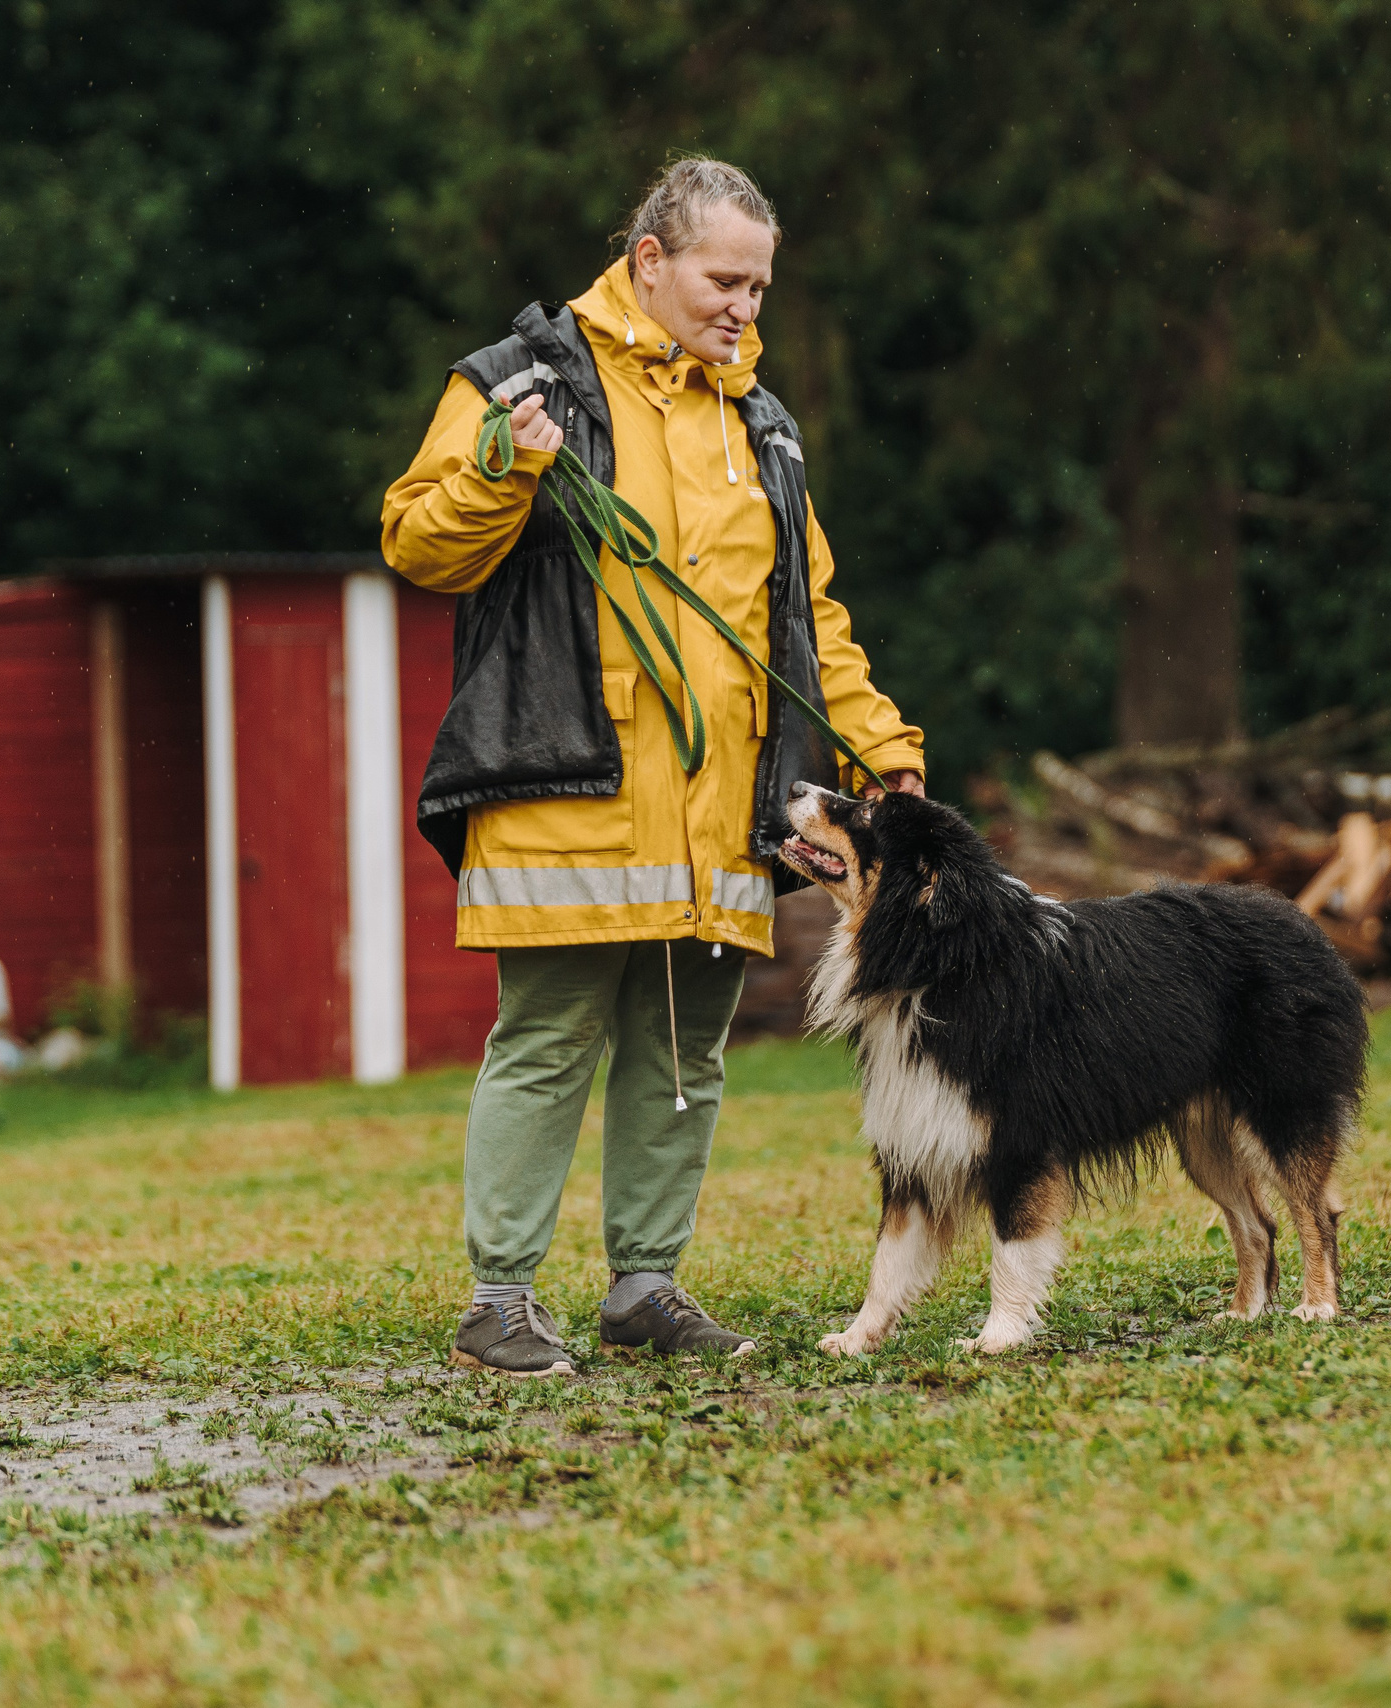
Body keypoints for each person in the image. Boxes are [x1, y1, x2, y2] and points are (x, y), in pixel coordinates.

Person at [382, 157, 925, 1376]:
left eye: (760, 287)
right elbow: (418, 544)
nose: (746, 308)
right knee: (550, 1037)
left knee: (685, 1045)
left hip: (720, 800)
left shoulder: (759, 424)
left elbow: (806, 618)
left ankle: (644, 1287)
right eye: (725, 281)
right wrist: (499, 470)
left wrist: (882, 749)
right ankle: (499, 1301)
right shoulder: (520, 386)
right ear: (648, 262)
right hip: (565, 782)